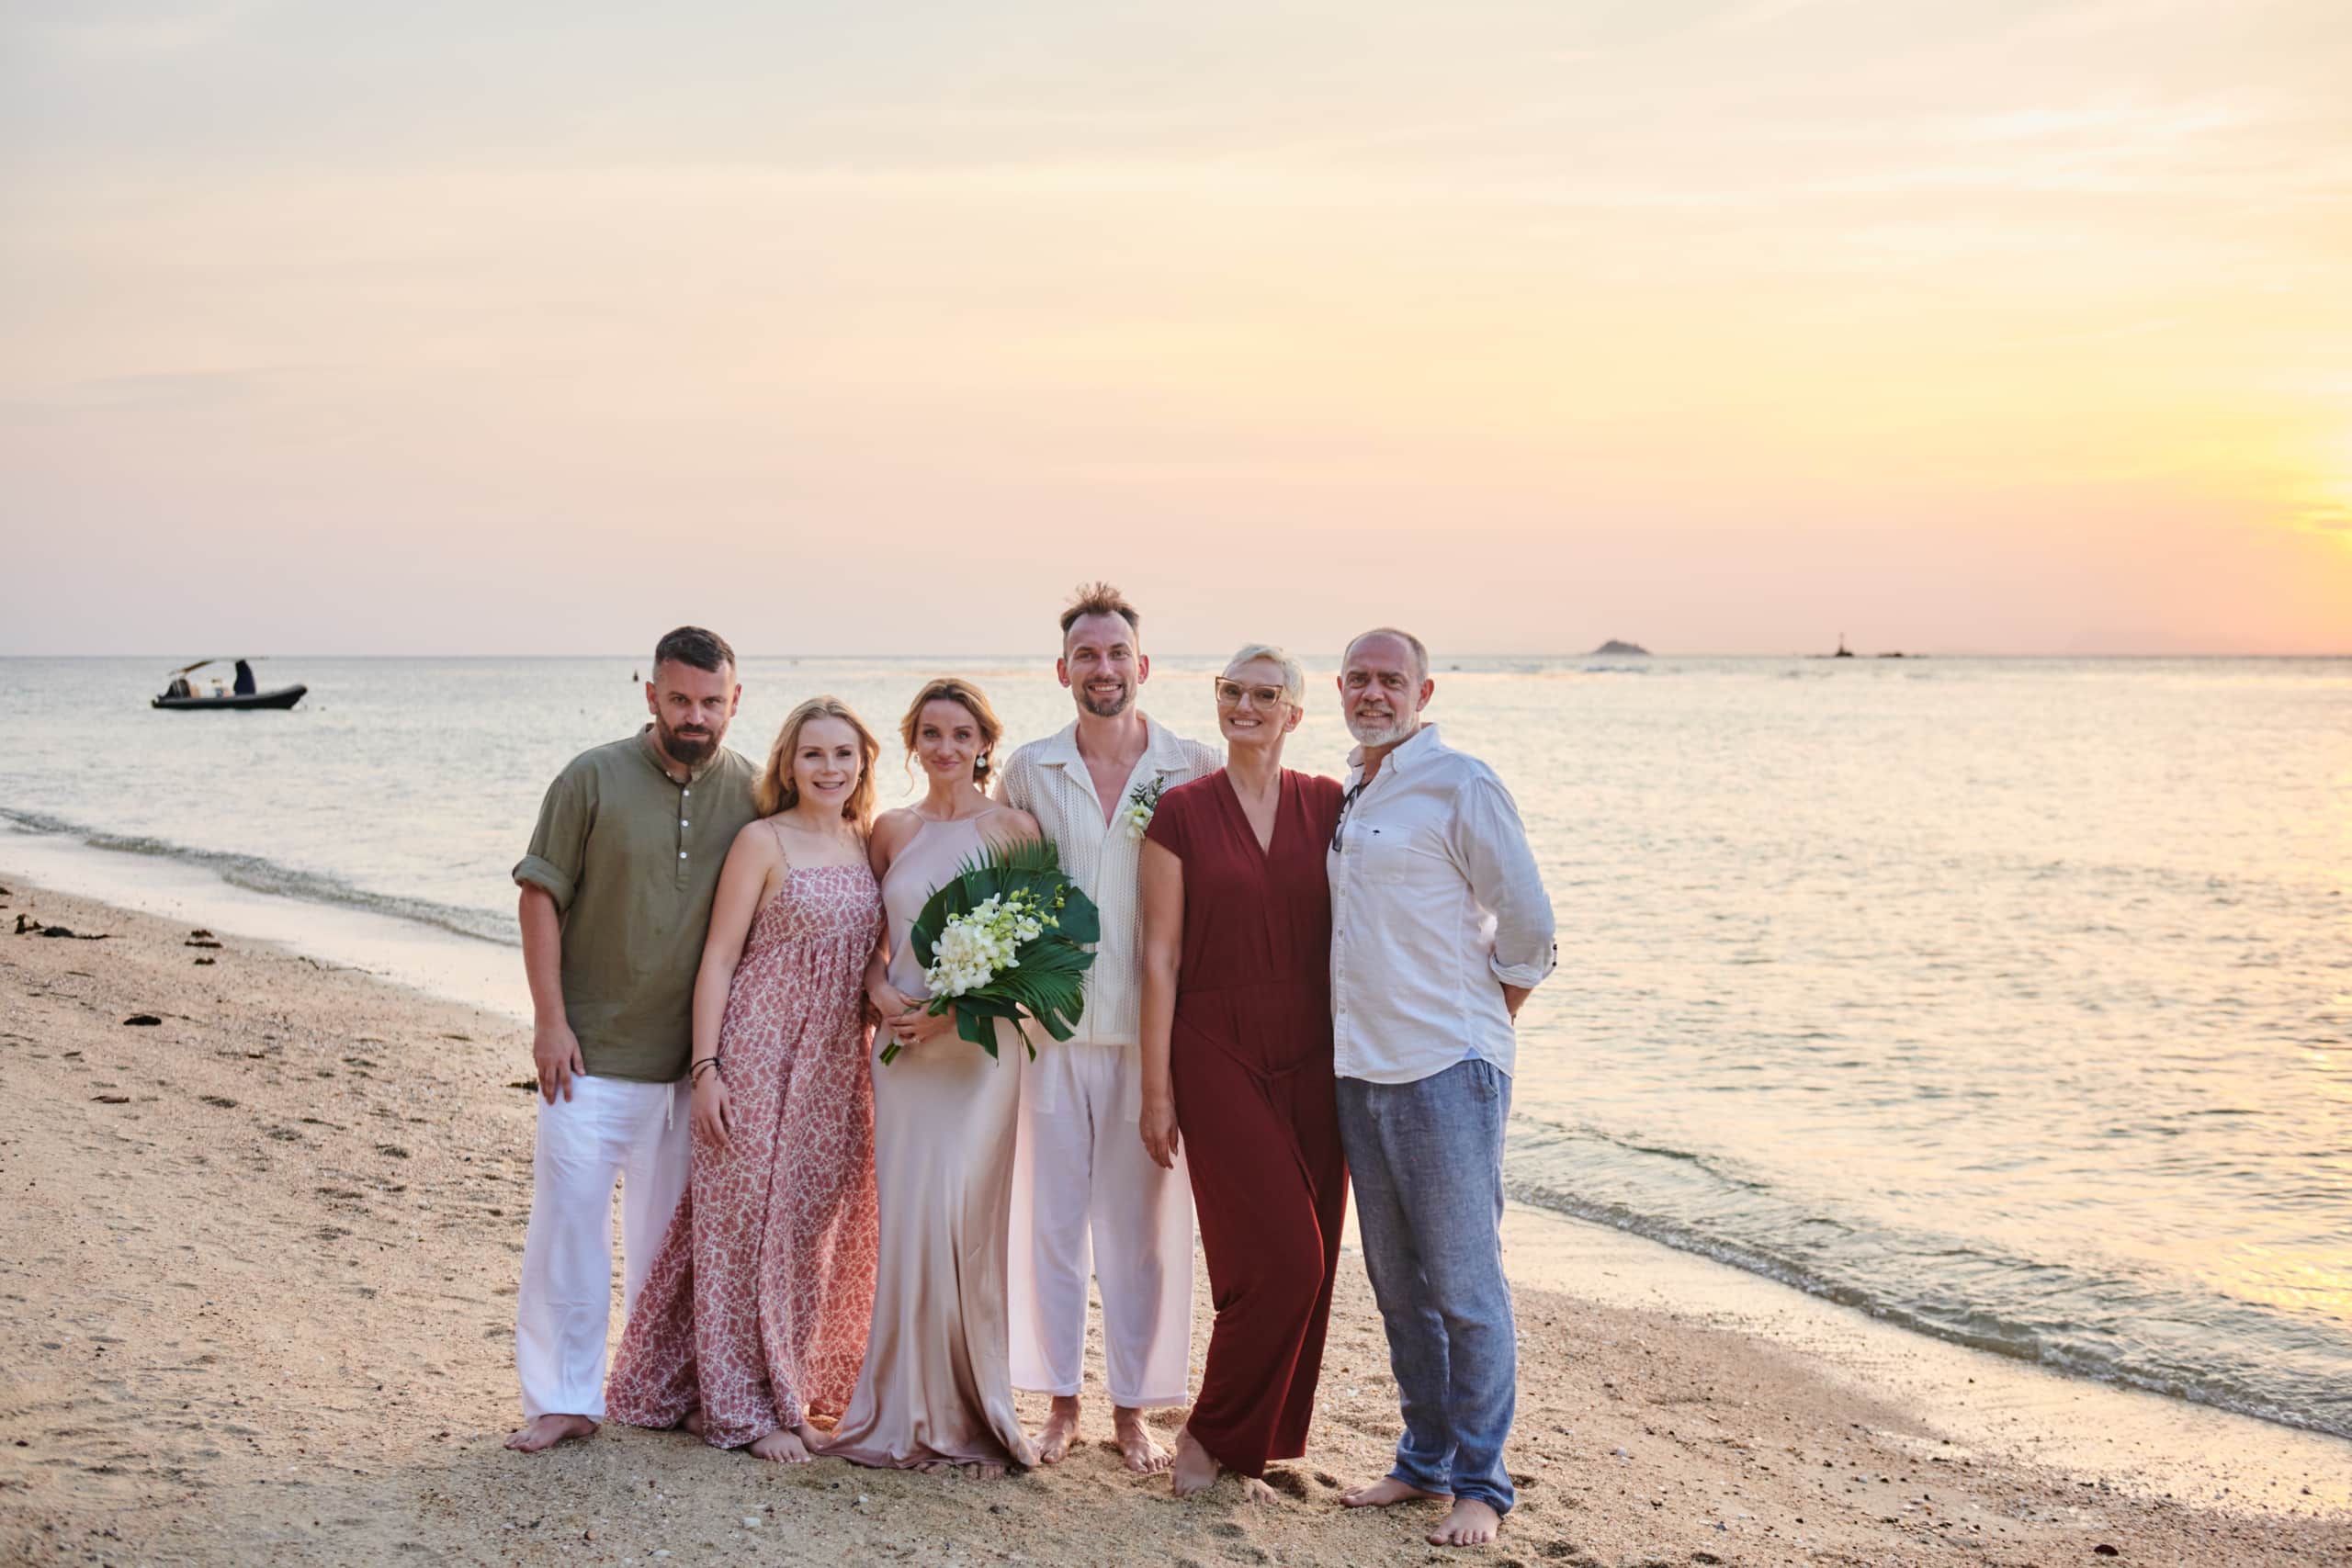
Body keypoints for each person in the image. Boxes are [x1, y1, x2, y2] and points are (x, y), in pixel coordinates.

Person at [604, 697, 888, 1461]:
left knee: (803, 1232)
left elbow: (870, 956)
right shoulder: (762, 841)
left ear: (864, 762)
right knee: (739, 1227)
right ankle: (740, 1408)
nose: (829, 767)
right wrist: (708, 1069)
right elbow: (721, 958)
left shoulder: (868, 842)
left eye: (843, 753)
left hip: (835, 1061)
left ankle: (781, 1388)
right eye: (813, 754)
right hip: (758, 1049)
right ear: (788, 764)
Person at [503, 626, 761, 1454]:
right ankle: (563, 1397)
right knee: (569, 1233)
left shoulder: (755, 794)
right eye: (680, 698)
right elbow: (540, 896)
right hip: (588, 1059)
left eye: (711, 701)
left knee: (672, 1247)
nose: (696, 715)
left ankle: (661, 1390)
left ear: (735, 700)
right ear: (650, 693)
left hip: (692, 1067)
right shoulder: (590, 777)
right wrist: (549, 1019)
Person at [1326, 626, 1555, 1548]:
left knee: (1464, 1286)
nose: (1373, 692)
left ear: (1424, 691)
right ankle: (1421, 1463)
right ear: (1339, 689)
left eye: (1390, 680)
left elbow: (1530, 923)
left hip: (1445, 1070)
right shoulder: (1353, 787)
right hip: (1360, 1067)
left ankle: (1481, 1486)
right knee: (1394, 1283)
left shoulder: (1460, 780)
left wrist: (1485, 1019)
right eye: (1358, 678)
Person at [995, 582, 1222, 1471]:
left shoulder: (1192, 763)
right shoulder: (1029, 769)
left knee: (1141, 1234)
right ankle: (1059, 1403)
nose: (1103, 668)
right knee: (1050, 1225)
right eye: (1086, 655)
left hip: (1150, 1038)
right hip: (1048, 1036)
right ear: (1063, 670)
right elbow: (1003, 894)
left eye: (1116, 653)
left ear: (1143, 665)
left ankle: (1133, 1410)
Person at [1137, 645, 1348, 1497]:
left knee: (1311, 1255)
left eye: (1267, 695)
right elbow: (1158, 956)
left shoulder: (1333, 804)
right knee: (1281, 1255)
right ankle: (1208, 1433)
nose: (1247, 706)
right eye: (1233, 692)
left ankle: (1246, 1447)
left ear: (1296, 713)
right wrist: (1156, 1090)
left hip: (1315, 1051)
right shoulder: (1180, 811)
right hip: (1212, 1044)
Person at [823, 679, 1043, 1477]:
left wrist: (951, 1016)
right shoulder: (890, 830)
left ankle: (973, 1413)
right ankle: (903, 1407)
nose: (946, 747)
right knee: (911, 1220)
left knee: (964, 1219)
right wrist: (883, 996)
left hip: (980, 1054)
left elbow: (1034, 956)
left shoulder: (1015, 830)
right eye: (931, 733)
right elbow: (876, 940)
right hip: (904, 1056)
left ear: (986, 741)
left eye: (961, 734)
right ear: (911, 741)